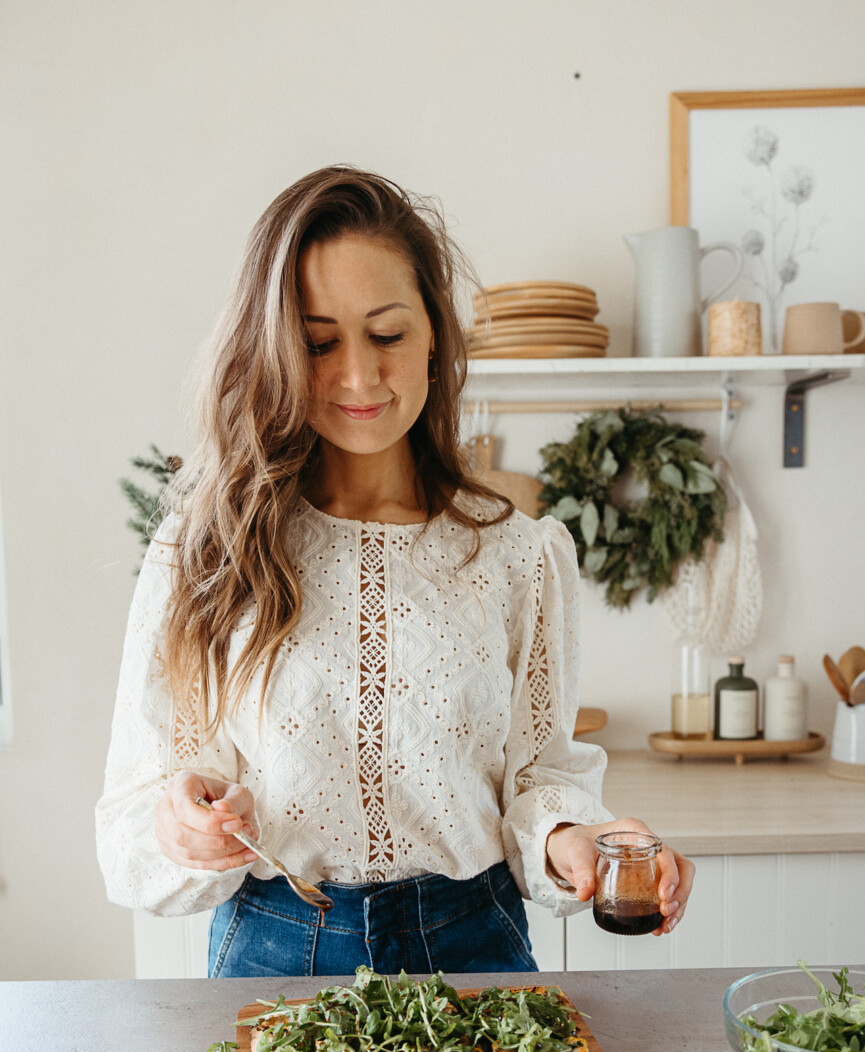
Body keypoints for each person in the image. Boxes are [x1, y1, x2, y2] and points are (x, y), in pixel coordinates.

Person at [96, 165, 694, 977]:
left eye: (386, 334)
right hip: (279, 946)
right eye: (316, 342)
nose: (358, 376)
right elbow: (142, 799)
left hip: (476, 944)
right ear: (272, 351)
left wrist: (571, 837)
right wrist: (180, 828)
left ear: (435, 338)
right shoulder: (206, 549)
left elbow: (540, 774)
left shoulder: (518, 554)